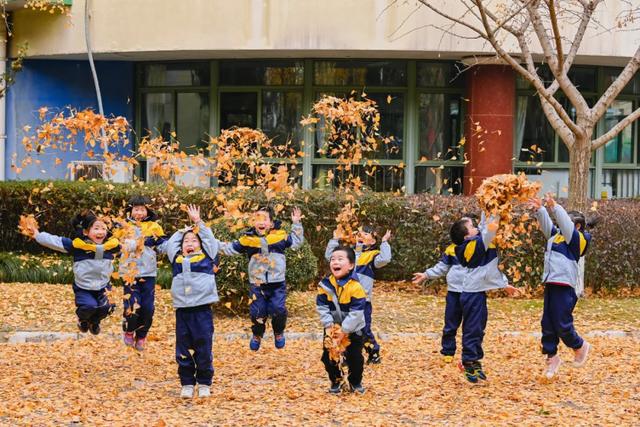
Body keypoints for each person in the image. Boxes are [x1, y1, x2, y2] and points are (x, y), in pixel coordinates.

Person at [220, 206, 304, 351]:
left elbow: (296, 243)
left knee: (278, 309)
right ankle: (257, 335)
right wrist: (207, 241)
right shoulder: (248, 239)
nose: (261, 222)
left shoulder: (280, 237)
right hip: (257, 284)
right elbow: (229, 248)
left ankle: (278, 332)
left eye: (264, 218)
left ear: (271, 223)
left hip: (277, 283)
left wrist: (296, 223)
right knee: (257, 312)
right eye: (257, 218)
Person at [529, 195, 594, 379]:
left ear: (578, 226)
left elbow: (565, 225)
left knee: (561, 324)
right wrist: (540, 209)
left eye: (567, 220)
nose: (562, 224)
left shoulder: (578, 240)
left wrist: (555, 207)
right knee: (547, 324)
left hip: (565, 287)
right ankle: (552, 358)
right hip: (551, 284)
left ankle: (579, 345)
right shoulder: (555, 237)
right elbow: (547, 225)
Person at [450, 213, 519, 383]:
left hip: (477, 292)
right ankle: (468, 360)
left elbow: (484, 226)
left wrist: (486, 209)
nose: (476, 228)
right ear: (467, 236)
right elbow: (489, 230)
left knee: (479, 327)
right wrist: (495, 210)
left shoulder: (473, 242)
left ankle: (475, 359)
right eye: (472, 227)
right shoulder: (470, 246)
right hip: (471, 294)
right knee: (472, 328)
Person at [26, 210, 119, 335]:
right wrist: (37, 235)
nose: (100, 232)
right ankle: (83, 320)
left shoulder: (111, 246)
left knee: (107, 307)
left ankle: (95, 322)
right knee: (89, 306)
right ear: (86, 231)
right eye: (96, 228)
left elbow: (130, 245)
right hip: (83, 286)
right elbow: (55, 241)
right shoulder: (78, 246)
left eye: (103, 228)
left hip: (103, 286)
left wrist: (141, 242)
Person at [166, 205, 220, 399]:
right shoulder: (176, 259)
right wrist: (183, 230)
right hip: (183, 311)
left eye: (193, 240)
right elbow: (171, 244)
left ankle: (204, 382)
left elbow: (209, 240)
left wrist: (197, 223)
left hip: (202, 310)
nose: (190, 242)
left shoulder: (207, 257)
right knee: (183, 349)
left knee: (203, 346)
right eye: (186, 241)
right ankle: (187, 382)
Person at [324, 226, 391, 363]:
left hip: (362, 301)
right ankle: (347, 357)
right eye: (360, 233)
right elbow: (330, 257)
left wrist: (384, 242)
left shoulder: (372, 256)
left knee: (364, 330)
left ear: (372, 241)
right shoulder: (348, 255)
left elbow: (385, 259)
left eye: (366, 233)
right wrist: (335, 239)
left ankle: (373, 352)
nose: (361, 235)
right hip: (344, 300)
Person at [118, 195, 168, 351]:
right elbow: (117, 244)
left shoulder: (154, 227)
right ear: (131, 211)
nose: (138, 212)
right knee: (132, 305)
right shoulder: (124, 226)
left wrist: (174, 248)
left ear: (148, 211)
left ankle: (141, 334)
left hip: (148, 273)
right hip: (129, 273)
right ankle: (129, 330)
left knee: (147, 308)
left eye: (142, 209)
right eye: (135, 209)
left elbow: (162, 246)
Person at [317, 245, 367, 394]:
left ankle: (355, 382)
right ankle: (336, 381)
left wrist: (344, 331)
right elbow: (322, 306)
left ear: (351, 265)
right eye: (333, 259)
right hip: (332, 328)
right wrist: (329, 325)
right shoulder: (324, 285)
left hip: (353, 329)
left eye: (340, 259)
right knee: (329, 356)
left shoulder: (356, 287)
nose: (335, 262)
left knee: (355, 358)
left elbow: (356, 313)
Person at [412, 234, 467, 363]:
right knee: (450, 322)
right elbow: (442, 267)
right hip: (454, 291)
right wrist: (426, 275)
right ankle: (448, 351)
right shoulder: (451, 249)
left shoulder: (478, 248)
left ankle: (470, 355)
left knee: (470, 325)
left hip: (472, 292)